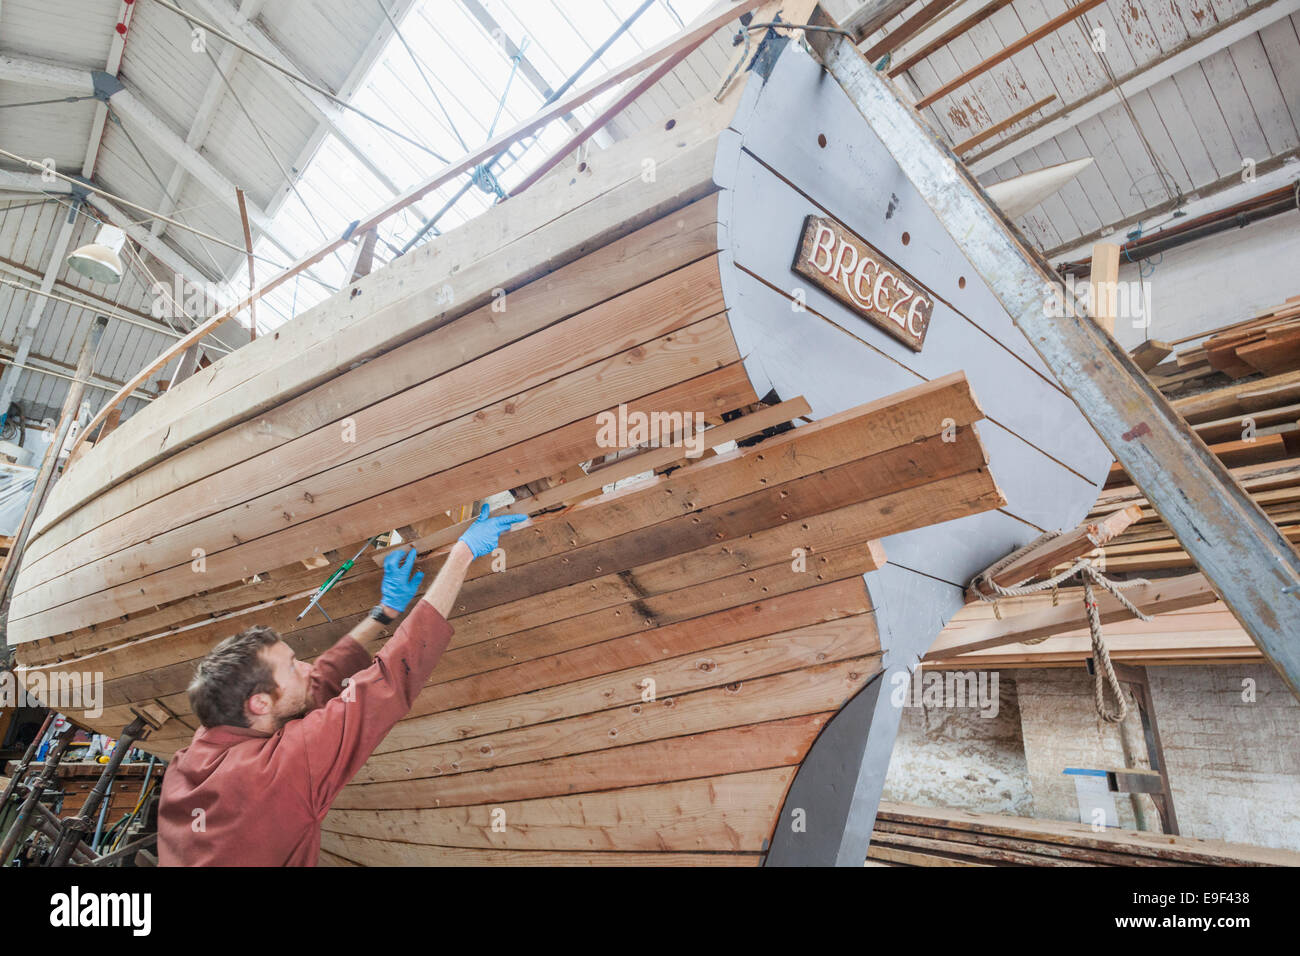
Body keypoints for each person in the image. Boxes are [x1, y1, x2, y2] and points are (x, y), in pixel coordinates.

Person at [157, 503, 526, 866]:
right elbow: (388, 679)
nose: (306, 666)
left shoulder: (196, 753)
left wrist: (383, 614)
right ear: (258, 704)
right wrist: (462, 554)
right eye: (292, 666)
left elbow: (315, 683)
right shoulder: (278, 771)